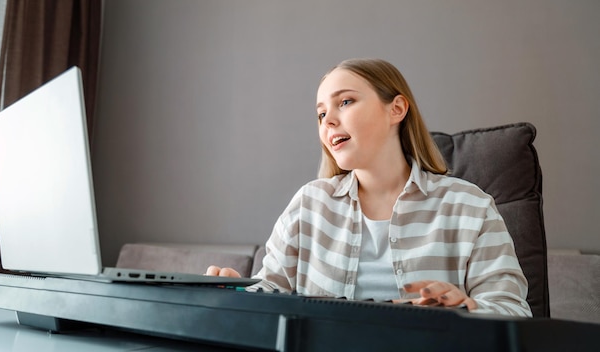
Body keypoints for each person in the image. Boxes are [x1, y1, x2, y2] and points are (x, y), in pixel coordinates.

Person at [206, 58, 532, 317]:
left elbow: (514, 313)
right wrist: (233, 295)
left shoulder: (470, 207)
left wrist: (467, 308)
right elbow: (266, 298)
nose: (328, 121)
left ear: (397, 109)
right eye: (321, 114)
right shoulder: (309, 205)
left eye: (345, 102)